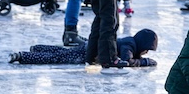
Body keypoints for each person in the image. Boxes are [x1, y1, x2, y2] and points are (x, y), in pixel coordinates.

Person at [10, 29, 157, 66]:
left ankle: (38, 48)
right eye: (147, 49)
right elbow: (127, 61)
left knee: (64, 52)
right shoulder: (129, 46)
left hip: (91, 46)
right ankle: (23, 56)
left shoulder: (130, 41)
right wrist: (145, 62)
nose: (145, 53)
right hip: (91, 52)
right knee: (58, 58)